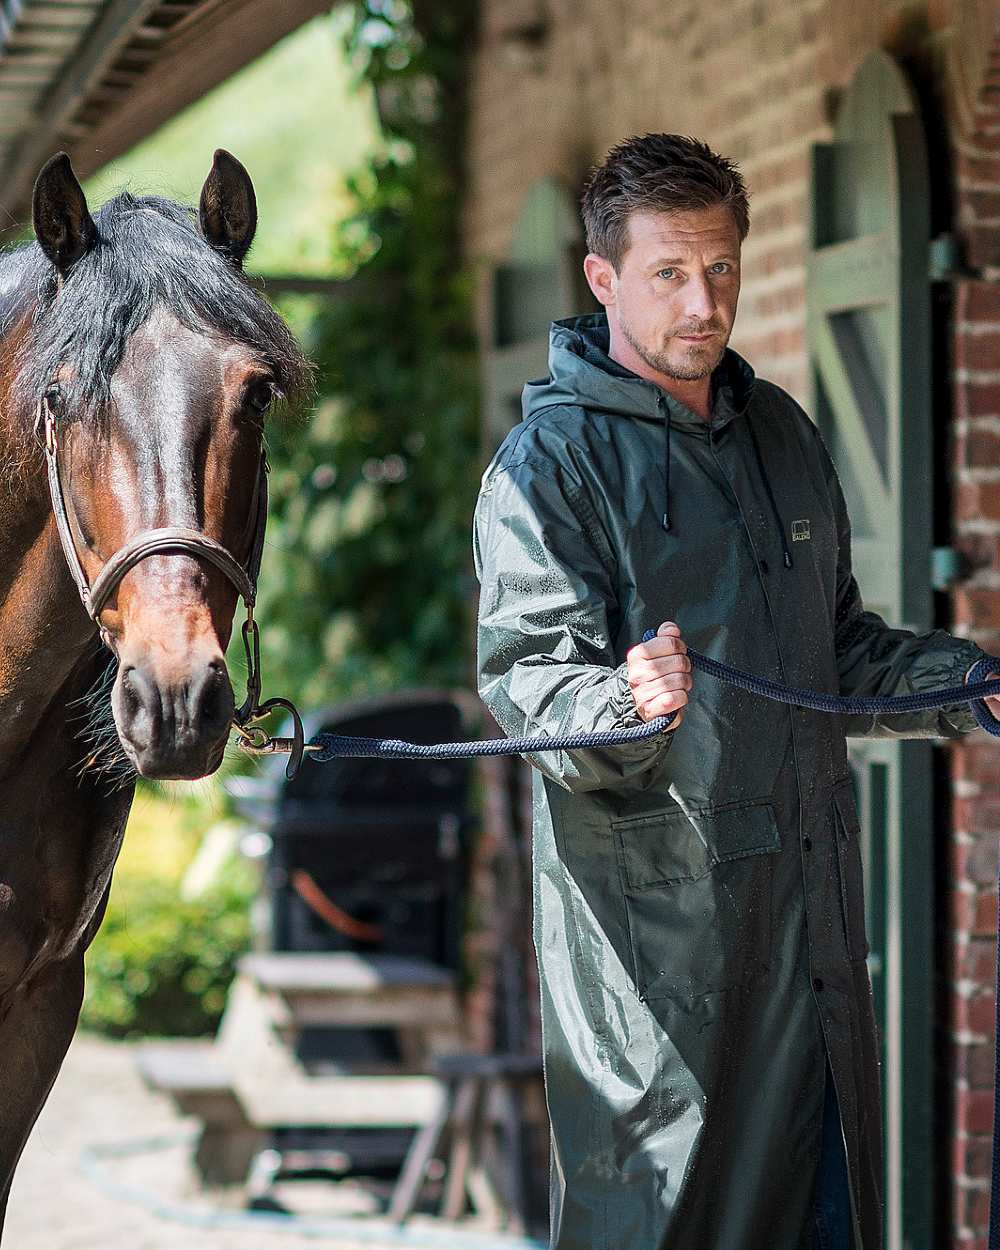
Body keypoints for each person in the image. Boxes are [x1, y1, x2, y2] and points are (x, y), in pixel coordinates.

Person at [471, 132, 1000, 1250]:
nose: (703, 302)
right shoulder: (546, 465)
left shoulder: (782, 437)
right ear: (603, 277)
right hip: (657, 973)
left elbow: (835, 655)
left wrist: (975, 685)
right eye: (668, 272)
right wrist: (618, 699)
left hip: (807, 939)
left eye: (720, 268)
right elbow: (529, 682)